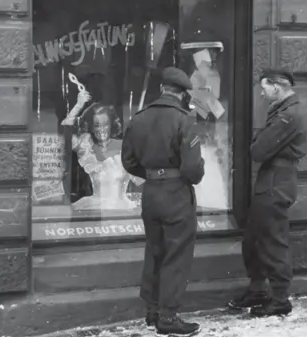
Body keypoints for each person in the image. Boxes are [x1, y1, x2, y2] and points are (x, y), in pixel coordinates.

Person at [121, 67, 205, 336]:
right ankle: (168, 317)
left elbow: (128, 162)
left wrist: (152, 174)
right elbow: (193, 170)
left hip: (151, 193)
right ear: (182, 94)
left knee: (155, 251)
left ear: (162, 89)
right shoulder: (184, 120)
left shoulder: (139, 118)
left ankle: (153, 310)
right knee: (176, 254)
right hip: (176, 193)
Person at [227, 68, 307, 317]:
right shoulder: (284, 112)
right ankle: (257, 291)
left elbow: (258, 151)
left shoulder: (288, 116)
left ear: (277, 86)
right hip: (271, 182)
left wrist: (258, 139)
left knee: (273, 242)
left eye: (264, 87)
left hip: (276, 184)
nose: (262, 93)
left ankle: (280, 298)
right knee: (253, 240)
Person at [61, 91, 144, 210]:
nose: (102, 129)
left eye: (105, 124)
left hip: (122, 210)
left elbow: (141, 181)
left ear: (112, 124)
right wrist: (79, 105)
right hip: (95, 210)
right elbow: (65, 130)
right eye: (97, 125)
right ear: (91, 127)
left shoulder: (125, 147)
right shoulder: (87, 148)